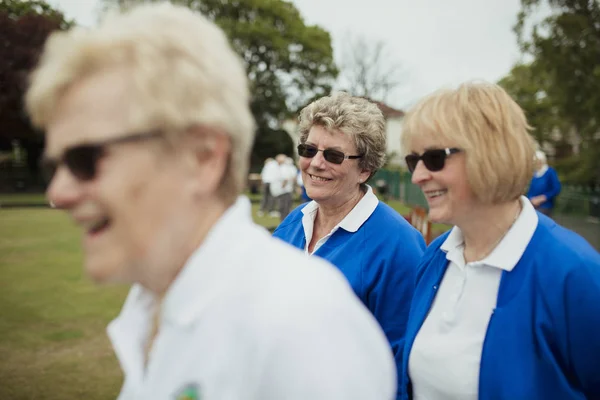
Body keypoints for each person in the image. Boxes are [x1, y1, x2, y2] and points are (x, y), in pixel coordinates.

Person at [25, 4, 398, 399]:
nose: (59, 193)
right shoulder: (152, 301)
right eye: (57, 163)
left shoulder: (301, 326)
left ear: (203, 157)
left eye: (86, 159)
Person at [399, 82, 600, 400]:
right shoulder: (436, 256)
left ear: (489, 152)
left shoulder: (575, 274)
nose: (417, 176)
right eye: (414, 161)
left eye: (434, 158)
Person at [273, 92, 426, 399]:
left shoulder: (400, 247)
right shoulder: (292, 224)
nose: (316, 162)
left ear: (365, 169)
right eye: (309, 149)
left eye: (333, 155)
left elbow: (400, 367)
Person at [527, 149, 562, 217]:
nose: (536, 163)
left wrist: (542, 198)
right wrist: (531, 199)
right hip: (533, 205)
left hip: (545, 206)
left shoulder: (550, 172)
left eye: (537, 161)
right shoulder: (535, 173)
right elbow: (531, 189)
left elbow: (556, 189)